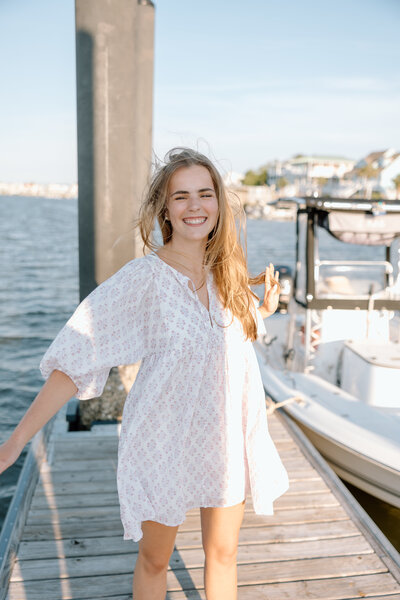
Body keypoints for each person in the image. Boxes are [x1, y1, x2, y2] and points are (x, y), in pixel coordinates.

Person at [0, 147, 289, 600]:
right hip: (163, 441)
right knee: (156, 559)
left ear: (219, 204)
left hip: (226, 438)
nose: (195, 206)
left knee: (224, 553)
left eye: (205, 193)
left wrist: (263, 309)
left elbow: (226, 337)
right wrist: (15, 442)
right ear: (165, 210)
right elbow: (76, 358)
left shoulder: (228, 274)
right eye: (181, 196)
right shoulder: (142, 281)